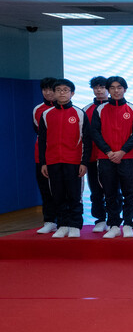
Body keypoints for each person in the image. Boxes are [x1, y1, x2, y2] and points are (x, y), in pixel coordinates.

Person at [37, 79, 90, 238]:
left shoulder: (79, 113)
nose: (62, 92)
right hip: (53, 161)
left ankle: (75, 225)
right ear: (53, 93)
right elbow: (42, 141)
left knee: (74, 195)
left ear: (72, 93)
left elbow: (87, 140)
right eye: (58, 90)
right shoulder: (46, 114)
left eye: (65, 90)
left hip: (73, 162)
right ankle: (62, 224)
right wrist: (43, 162)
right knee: (58, 194)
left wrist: (84, 162)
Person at [92, 76, 133, 239]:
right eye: (112, 87)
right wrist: (108, 152)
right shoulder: (99, 110)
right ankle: (113, 224)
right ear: (108, 90)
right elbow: (95, 133)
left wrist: (122, 152)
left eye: (119, 87)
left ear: (125, 89)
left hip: (128, 158)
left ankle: (128, 224)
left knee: (129, 193)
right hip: (106, 158)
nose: (116, 90)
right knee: (110, 193)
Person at [84, 76, 109, 232]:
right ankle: (100, 219)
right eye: (96, 87)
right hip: (94, 157)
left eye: (102, 87)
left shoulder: (117, 107)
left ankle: (115, 219)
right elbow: (84, 136)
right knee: (96, 190)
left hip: (113, 157)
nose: (99, 90)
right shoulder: (86, 110)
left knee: (114, 191)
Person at [33, 77, 58, 234]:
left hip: (65, 158)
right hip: (42, 157)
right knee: (45, 190)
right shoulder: (38, 110)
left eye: (51, 89)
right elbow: (40, 134)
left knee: (66, 191)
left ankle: (66, 222)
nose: (48, 93)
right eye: (45, 89)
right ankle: (49, 221)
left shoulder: (73, 111)